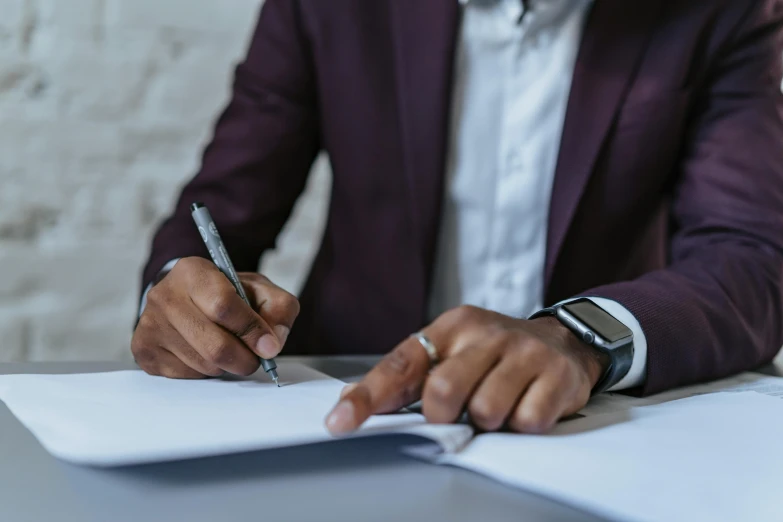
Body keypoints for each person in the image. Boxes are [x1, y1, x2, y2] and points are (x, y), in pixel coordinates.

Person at [132, 0, 783, 435]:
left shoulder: (722, 12)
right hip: (345, 422)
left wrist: (581, 339)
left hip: (587, 430)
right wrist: (182, 294)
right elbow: (220, 209)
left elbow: (752, 257)